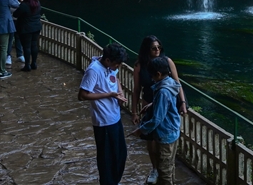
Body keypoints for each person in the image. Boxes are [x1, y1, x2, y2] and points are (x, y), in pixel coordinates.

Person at [131, 35, 187, 184]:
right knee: (167, 164)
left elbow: (157, 118)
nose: (157, 50)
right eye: (153, 48)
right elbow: (136, 90)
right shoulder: (164, 82)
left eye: (158, 48)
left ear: (157, 75)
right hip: (163, 116)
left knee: (165, 169)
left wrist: (140, 130)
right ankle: (157, 170)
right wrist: (141, 109)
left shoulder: (163, 84)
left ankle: (163, 176)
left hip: (165, 129)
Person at [79, 43, 129, 185]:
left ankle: (114, 181)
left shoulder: (109, 66)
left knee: (120, 154)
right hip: (103, 120)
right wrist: (109, 94)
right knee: (107, 158)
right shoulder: (94, 70)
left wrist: (120, 93)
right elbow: (82, 95)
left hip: (115, 117)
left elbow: (116, 78)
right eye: (117, 64)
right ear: (108, 60)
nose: (117, 67)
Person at [14, 0, 42, 72]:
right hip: (36, 27)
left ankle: (27, 65)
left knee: (26, 47)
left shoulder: (24, 5)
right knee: (34, 45)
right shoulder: (37, 3)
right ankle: (34, 63)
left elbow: (16, 14)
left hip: (26, 28)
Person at [6, 0, 26, 66]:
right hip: (10, 16)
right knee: (10, 36)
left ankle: (20, 54)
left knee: (19, 36)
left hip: (20, 16)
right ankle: (8, 55)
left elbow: (25, 1)